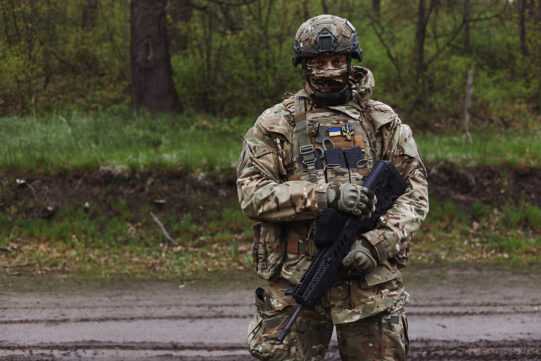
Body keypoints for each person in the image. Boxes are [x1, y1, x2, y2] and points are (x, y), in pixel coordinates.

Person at [236, 14, 429, 361]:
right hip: (298, 280)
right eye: (319, 62)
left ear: (350, 60)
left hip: (370, 285)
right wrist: (324, 196)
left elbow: (414, 194)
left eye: (337, 60)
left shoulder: (381, 121)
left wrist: (374, 245)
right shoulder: (275, 124)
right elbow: (252, 195)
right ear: (304, 65)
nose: (329, 69)